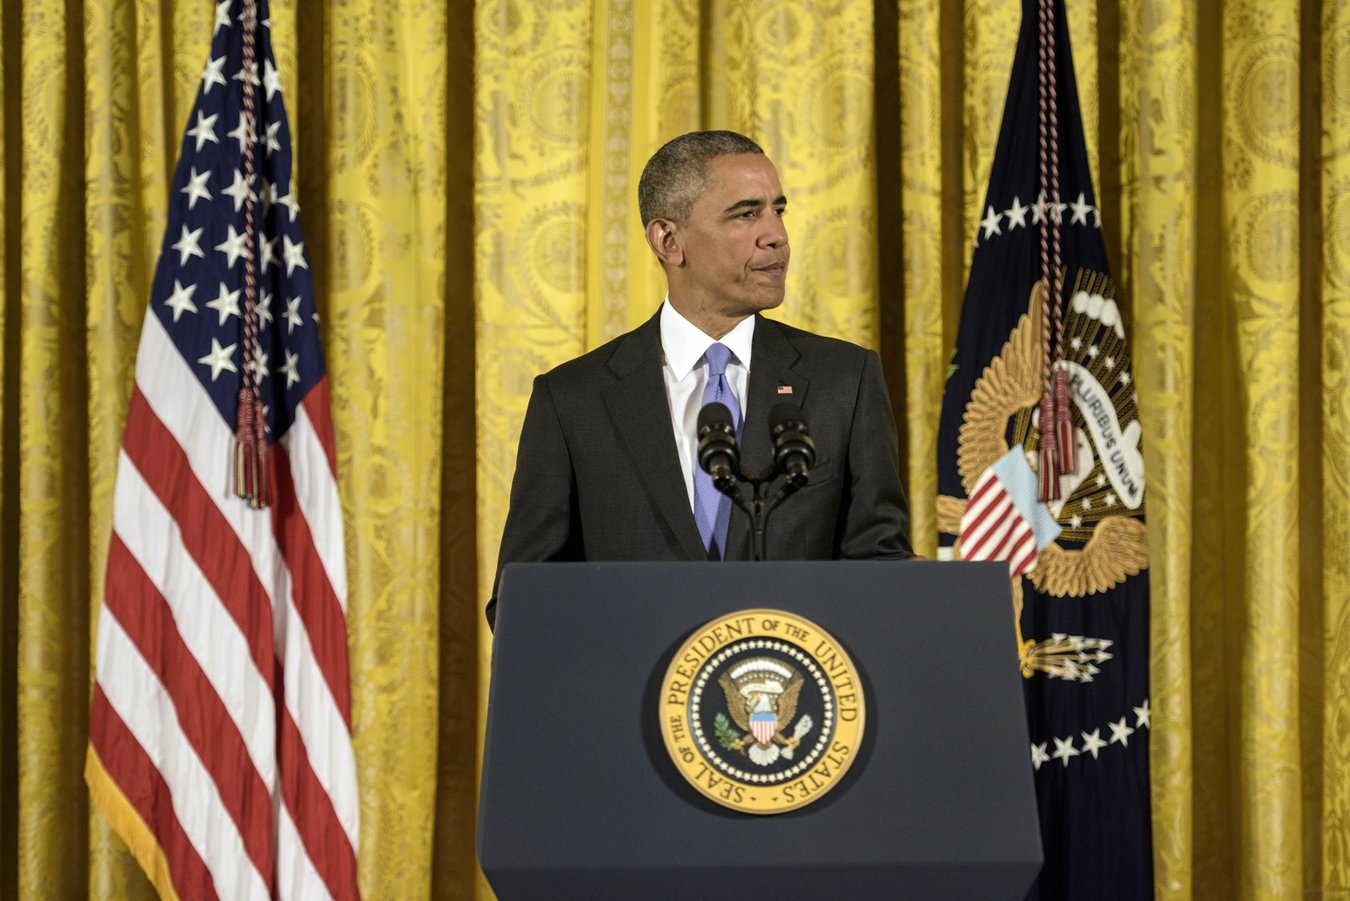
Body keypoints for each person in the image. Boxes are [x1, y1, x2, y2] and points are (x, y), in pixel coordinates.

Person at [487, 130, 912, 628]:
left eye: (779, 209)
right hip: (635, 697)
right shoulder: (573, 400)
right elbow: (524, 599)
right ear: (668, 240)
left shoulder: (845, 380)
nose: (776, 235)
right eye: (746, 213)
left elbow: (879, 567)